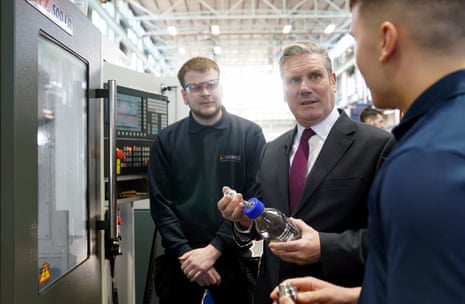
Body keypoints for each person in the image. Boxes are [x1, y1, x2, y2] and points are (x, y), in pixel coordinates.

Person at [270, 0, 465, 303]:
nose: (305, 88)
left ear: (385, 41)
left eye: (357, 39)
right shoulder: (446, 132)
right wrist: (357, 297)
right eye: (294, 80)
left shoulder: (426, 160)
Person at [218, 40, 395, 304]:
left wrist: (325, 247)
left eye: (315, 76)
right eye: (293, 80)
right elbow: (266, 223)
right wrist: (243, 222)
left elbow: (394, 236)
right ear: (283, 91)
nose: (305, 88)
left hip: (337, 292)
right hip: (274, 293)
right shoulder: (272, 151)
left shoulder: (376, 146)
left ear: (333, 81)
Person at [148, 56, 266, 304]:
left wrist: (213, 251)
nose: (205, 92)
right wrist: (187, 254)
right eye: (195, 87)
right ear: (184, 95)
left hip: (233, 259)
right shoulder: (166, 141)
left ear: (221, 87)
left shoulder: (249, 134)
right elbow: (160, 206)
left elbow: (255, 197)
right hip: (182, 263)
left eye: (211, 84)